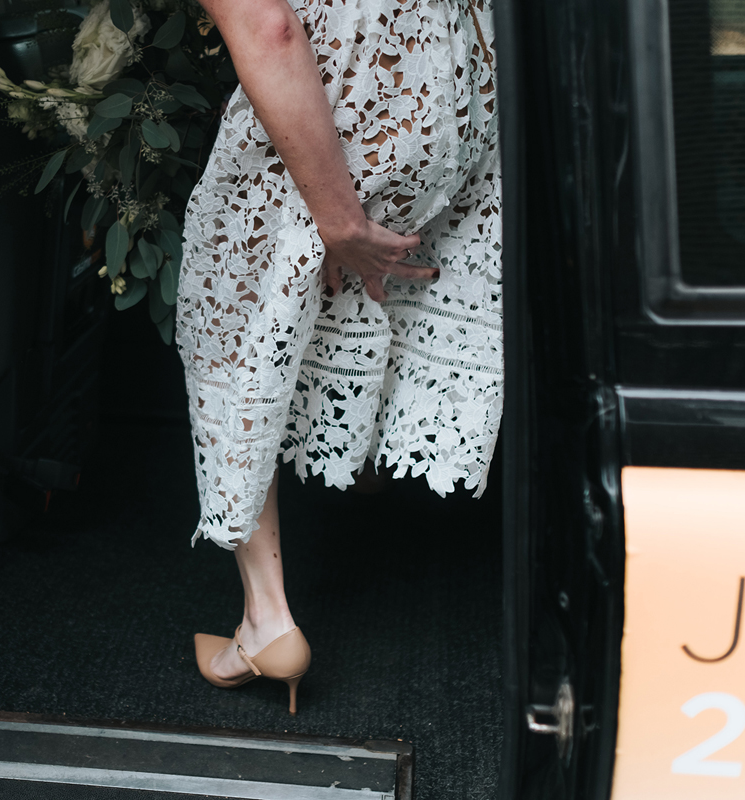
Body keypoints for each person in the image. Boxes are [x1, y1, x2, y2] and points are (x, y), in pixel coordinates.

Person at [176, 0, 501, 715]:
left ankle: (266, 621)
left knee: (228, 313)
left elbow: (270, 25)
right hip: (453, 99)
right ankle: (362, 468)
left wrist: (340, 217)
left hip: (349, 99)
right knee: (376, 291)